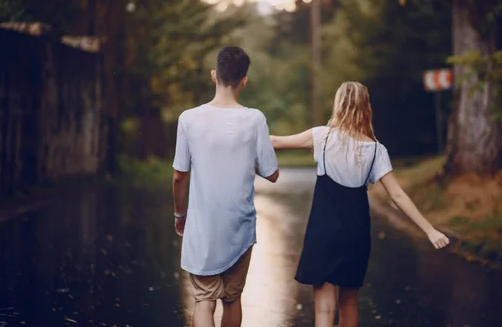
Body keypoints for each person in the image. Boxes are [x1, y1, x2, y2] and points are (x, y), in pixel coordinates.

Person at [270, 81, 450, 327]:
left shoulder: (322, 136)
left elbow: (276, 142)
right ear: (366, 107)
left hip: (323, 231)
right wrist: (429, 229)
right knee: (349, 301)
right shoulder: (376, 150)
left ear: (339, 104)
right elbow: (397, 195)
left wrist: (240, 130)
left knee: (324, 306)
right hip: (355, 233)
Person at [172, 46, 279, 327]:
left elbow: (179, 176)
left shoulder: (188, 119)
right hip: (239, 227)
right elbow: (272, 174)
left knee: (203, 300)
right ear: (244, 80)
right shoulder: (255, 119)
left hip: (202, 227)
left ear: (213, 75)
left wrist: (180, 216)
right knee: (232, 299)